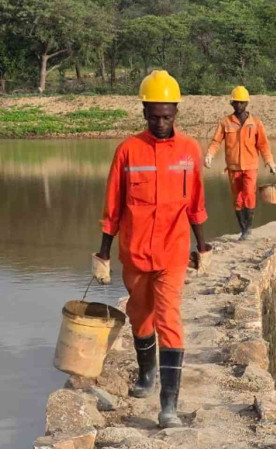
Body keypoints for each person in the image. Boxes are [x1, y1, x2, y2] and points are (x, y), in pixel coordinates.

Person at [91, 70, 211, 429]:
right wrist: (103, 254)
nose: (160, 123)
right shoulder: (128, 151)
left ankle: (168, 406)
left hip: (173, 252)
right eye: (154, 116)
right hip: (136, 252)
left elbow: (196, 203)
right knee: (140, 315)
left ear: (176, 113)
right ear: (144, 112)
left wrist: (202, 245)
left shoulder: (189, 150)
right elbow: (113, 207)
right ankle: (146, 374)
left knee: (169, 319)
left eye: (167, 116)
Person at [204, 86, 276, 241]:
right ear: (232, 103)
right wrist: (210, 154)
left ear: (246, 103)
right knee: (237, 199)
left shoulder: (255, 123)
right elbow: (216, 141)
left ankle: (248, 228)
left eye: (241, 102)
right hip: (233, 167)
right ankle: (243, 229)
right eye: (236, 102)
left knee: (249, 194)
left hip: (250, 166)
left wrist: (270, 161)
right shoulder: (225, 122)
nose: (238, 105)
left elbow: (263, 145)